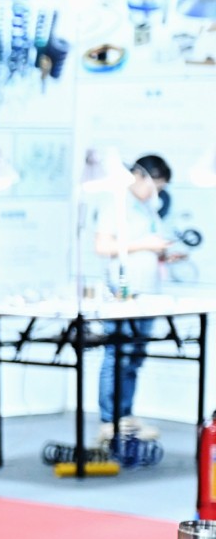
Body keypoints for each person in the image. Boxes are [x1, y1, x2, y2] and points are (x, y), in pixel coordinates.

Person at [94, 152, 176, 443]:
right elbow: (102, 246)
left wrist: (161, 253)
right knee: (117, 354)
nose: (156, 193)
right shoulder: (115, 203)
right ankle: (109, 420)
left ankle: (125, 416)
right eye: (155, 186)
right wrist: (144, 245)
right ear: (140, 176)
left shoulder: (148, 207)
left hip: (148, 291)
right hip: (123, 292)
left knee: (134, 357)